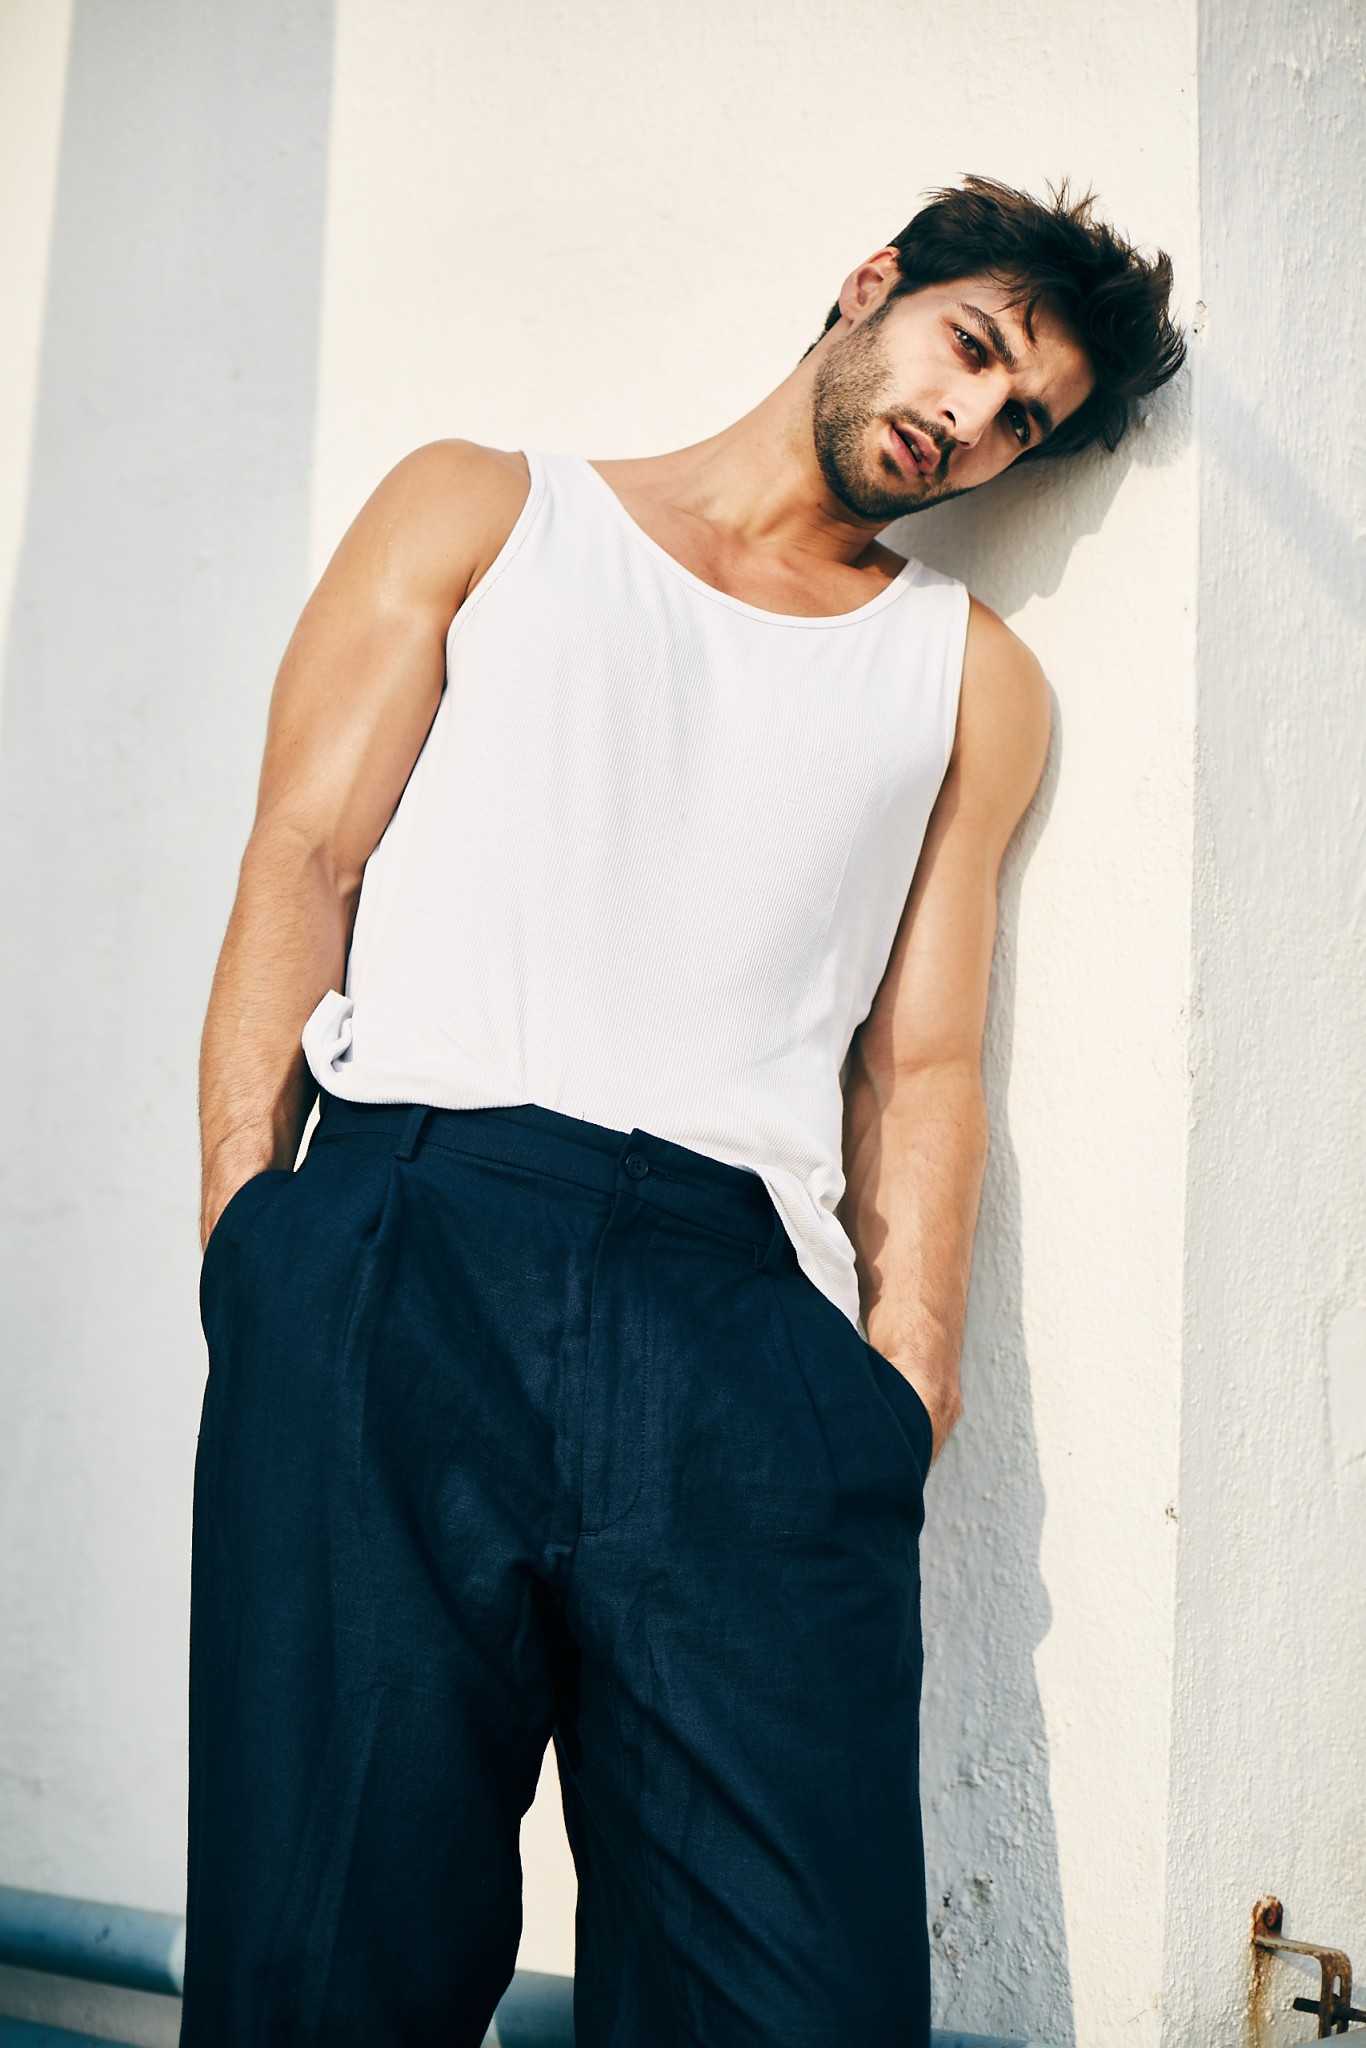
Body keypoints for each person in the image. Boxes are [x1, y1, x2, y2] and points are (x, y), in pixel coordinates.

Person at [183, 175, 1183, 2046]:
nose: (969, 419)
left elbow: (922, 1063)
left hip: (738, 1328)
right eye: (971, 348)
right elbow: (305, 854)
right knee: (324, 1957)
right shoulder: (486, 508)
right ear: (869, 286)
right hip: (405, 1246)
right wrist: (257, 1240)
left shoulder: (968, 678)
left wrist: (906, 1377)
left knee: (794, 1998)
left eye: (1019, 420)